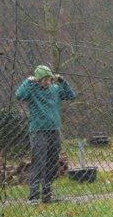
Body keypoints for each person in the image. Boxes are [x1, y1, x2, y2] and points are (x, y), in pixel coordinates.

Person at [15, 65, 76, 202]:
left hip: (54, 130)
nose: (47, 82)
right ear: (38, 80)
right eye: (44, 80)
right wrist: (28, 81)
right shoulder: (32, 89)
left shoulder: (54, 89)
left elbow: (71, 95)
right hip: (38, 131)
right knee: (39, 162)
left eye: (49, 79)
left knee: (51, 162)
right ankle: (33, 196)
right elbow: (19, 95)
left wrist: (62, 81)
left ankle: (47, 193)